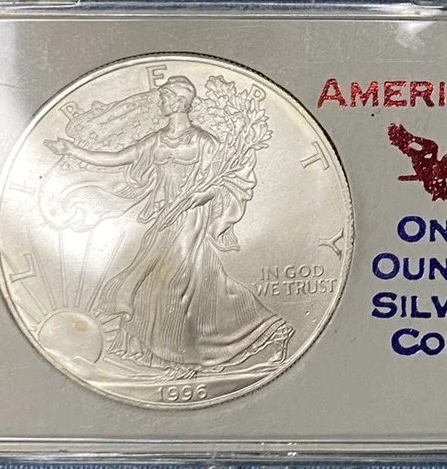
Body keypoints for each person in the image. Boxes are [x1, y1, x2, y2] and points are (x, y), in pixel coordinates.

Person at [45, 77, 291, 375]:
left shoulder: (203, 142)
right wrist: (71, 150)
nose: (160, 102)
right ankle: (270, 330)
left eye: (164, 98)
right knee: (189, 283)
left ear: (179, 102)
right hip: (166, 217)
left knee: (176, 281)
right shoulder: (156, 141)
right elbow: (115, 159)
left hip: (191, 216)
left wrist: (203, 195)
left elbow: (226, 182)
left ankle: (183, 359)